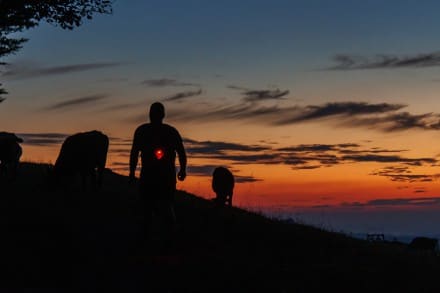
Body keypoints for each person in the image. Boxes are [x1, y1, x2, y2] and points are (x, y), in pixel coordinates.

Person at [129, 102, 187, 246]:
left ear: (150, 114)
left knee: (151, 207)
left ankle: (151, 238)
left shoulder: (142, 131)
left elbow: (134, 153)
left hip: (152, 176)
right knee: (163, 206)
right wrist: (182, 169)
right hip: (163, 176)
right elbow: (181, 152)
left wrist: (131, 172)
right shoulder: (170, 131)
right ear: (163, 115)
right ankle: (166, 238)